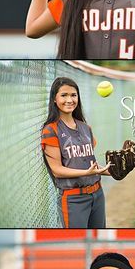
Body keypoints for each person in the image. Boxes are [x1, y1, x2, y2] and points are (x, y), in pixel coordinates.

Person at [41, 76, 109, 229]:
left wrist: (110, 170)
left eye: (73, 95)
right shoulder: (51, 130)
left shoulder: (85, 128)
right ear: (54, 99)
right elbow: (57, 170)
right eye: (63, 95)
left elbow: (88, 164)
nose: (69, 100)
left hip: (97, 194)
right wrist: (87, 172)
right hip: (73, 198)